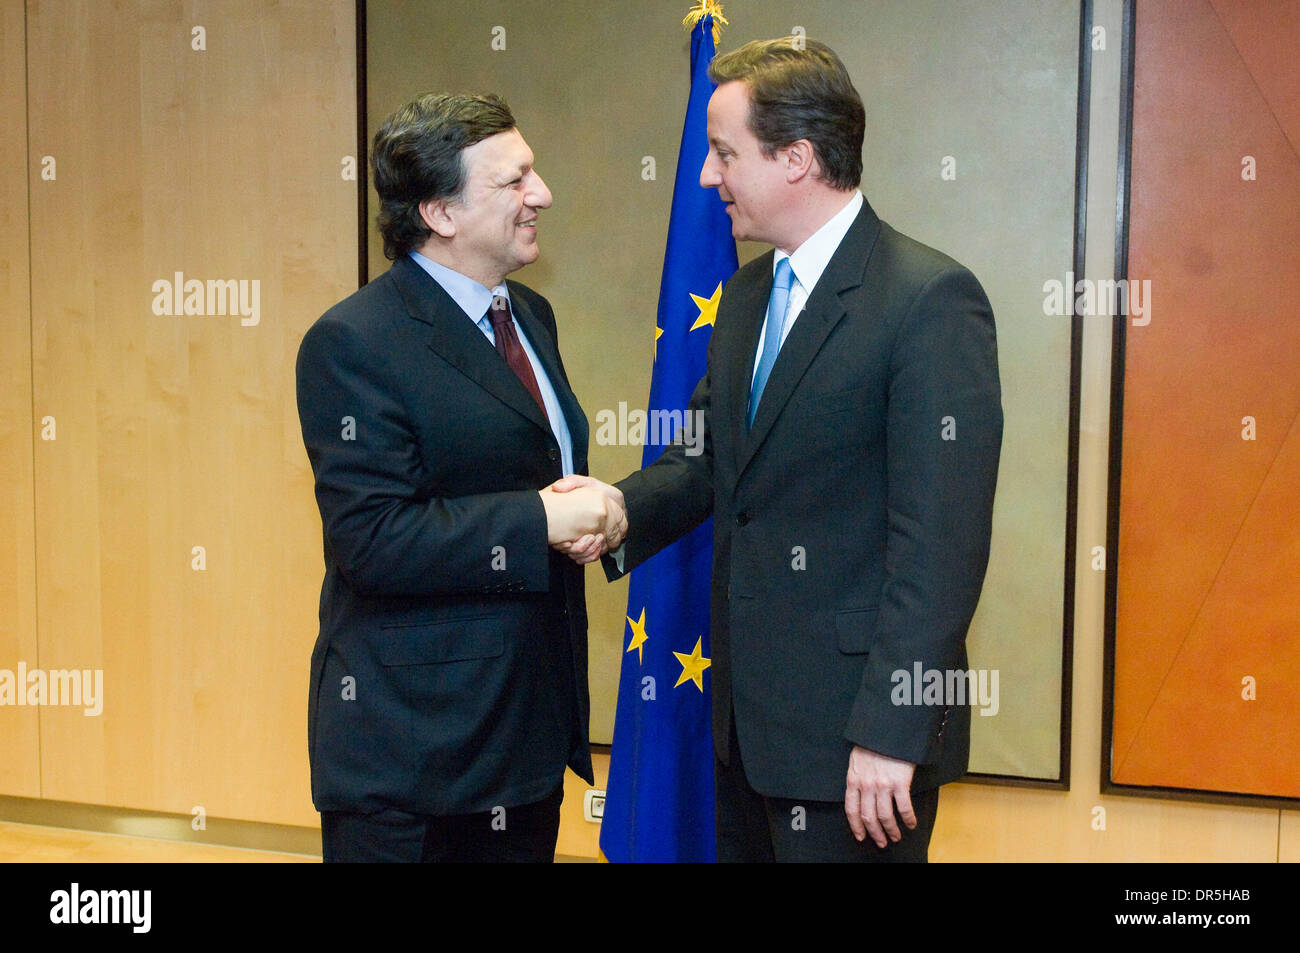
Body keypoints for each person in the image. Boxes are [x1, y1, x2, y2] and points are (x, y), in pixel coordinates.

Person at [556, 37, 1002, 862]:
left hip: (858, 750)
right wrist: (615, 510)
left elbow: (941, 546)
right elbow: (705, 460)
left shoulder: (929, 301)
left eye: (724, 154)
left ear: (797, 158)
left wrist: (891, 734)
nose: (706, 177)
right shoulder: (749, 295)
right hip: (746, 735)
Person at [296, 91, 626, 862]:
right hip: (413, 762)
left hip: (525, 743)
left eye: (533, 173)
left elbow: (526, 464)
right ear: (439, 213)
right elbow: (373, 541)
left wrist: (591, 506)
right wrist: (538, 522)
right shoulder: (354, 342)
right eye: (514, 182)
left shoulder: (531, 314)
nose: (540, 194)